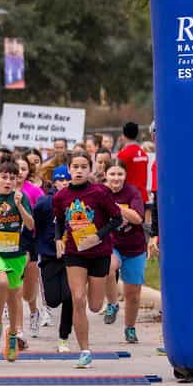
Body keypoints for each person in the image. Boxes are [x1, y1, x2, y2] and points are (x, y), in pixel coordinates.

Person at [53, 151, 123, 369]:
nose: (79, 170)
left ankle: (106, 301)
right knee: (78, 299)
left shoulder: (99, 192)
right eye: (75, 166)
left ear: (90, 169)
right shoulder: (60, 197)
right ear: (69, 169)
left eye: (84, 166)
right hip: (75, 253)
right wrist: (58, 239)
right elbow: (59, 221)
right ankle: (85, 350)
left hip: (99, 253)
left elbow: (117, 219)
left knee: (94, 305)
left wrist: (98, 236)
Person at [0, 160, 34, 362]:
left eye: (12, 178)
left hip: (16, 254)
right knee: (1, 282)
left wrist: (20, 206)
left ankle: (12, 336)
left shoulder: (21, 197)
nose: (8, 181)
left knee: (14, 299)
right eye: (4, 177)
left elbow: (30, 225)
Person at [100, 160, 147, 343]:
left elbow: (137, 218)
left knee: (133, 294)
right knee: (108, 267)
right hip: (112, 244)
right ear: (105, 175)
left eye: (120, 174)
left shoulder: (132, 192)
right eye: (112, 174)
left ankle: (130, 328)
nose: (116, 178)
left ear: (125, 175)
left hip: (135, 247)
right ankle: (112, 304)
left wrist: (117, 207)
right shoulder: (100, 193)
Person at [34, 165, 75, 353]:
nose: (64, 183)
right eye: (60, 180)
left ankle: (63, 337)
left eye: (67, 180)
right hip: (49, 256)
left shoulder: (77, 200)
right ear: (54, 182)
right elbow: (35, 226)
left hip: (72, 257)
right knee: (52, 300)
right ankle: (46, 310)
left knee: (69, 296)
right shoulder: (44, 203)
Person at [16, 157, 43, 341]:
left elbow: (43, 216)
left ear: (28, 171)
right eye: (16, 168)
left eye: (23, 168)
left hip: (30, 240)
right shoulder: (3, 190)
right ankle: (17, 327)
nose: (19, 172)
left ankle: (34, 312)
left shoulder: (34, 191)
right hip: (10, 242)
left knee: (28, 292)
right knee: (14, 280)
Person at [117, 123, 149, 205]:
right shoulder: (143, 153)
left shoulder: (123, 154)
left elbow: (117, 175)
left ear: (124, 135)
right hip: (143, 195)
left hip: (129, 197)